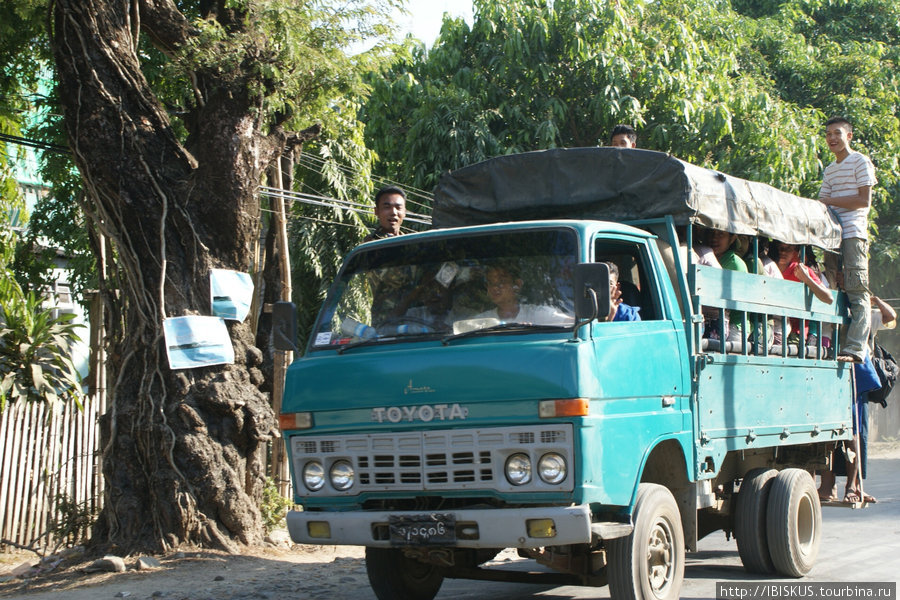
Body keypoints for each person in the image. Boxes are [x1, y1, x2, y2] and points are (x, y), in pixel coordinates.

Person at [819, 295, 896, 504]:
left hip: (857, 376)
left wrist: (875, 300)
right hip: (832, 375)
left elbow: (890, 316)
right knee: (831, 434)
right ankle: (828, 486)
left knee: (856, 434)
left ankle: (854, 486)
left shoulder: (865, 313)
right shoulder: (830, 306)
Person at [817, 117, 877, 363]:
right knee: (830, 286)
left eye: (837, 133)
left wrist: (830, 202)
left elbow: (863, 201)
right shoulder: (830, 169)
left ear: (849, 136)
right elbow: (820, 203)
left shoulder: (860, 161)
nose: (832, 138)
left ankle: (855, 348)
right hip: (832, 236)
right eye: (828, 134)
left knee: (856, 289)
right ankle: (832, 344)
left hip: (853, 233)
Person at [474, 262, 570, 326]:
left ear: (517, 285)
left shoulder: (536, 314)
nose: (494, 287)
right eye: (491, 283)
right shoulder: (481, 321)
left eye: (501, 281)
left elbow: (574, 324)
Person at [776, 242, 833, 344]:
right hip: (773, 325)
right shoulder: (767, 266)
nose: (783, 252)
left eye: (788, 249)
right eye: (779, 248)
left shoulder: (800, 270)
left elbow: (829, 298)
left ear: (795, 251)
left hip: (797, 331)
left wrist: (807, 279)